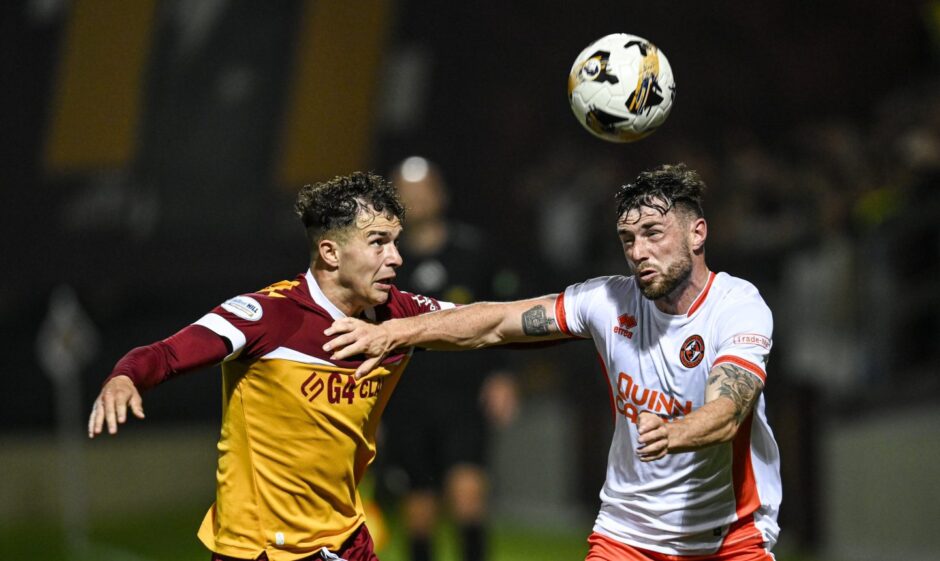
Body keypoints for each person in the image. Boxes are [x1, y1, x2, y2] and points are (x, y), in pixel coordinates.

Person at [324, 163, 782, 561]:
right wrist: (392, 332)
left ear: (697, 232)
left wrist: (675, 431)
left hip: (729, 535)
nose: (638, 251)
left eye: (653, 233)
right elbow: (495, 322)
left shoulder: (737, 306)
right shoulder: (607, 300)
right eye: (627, 238)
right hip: (628, 534)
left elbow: (728, 410)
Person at [88, 172, 454, 561]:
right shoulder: (266, 315)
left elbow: (489, 323)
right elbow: (166, 354)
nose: (396, 257)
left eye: (395, 242)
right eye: (379, 243)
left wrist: (527, 316)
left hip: (345, 541)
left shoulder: (395, 314)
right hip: (262, 550)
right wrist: (125, 377)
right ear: (331, 252)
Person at [381, 156, 517, 561]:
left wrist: (504, 376)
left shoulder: (473, 252)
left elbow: (504, 317)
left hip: (463, 398)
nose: (416, 201)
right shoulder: (383, 262)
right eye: (406, 194)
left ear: (440, 195)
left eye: (423, 192)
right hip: (406, 400)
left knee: (468, 498)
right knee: (418, 512)